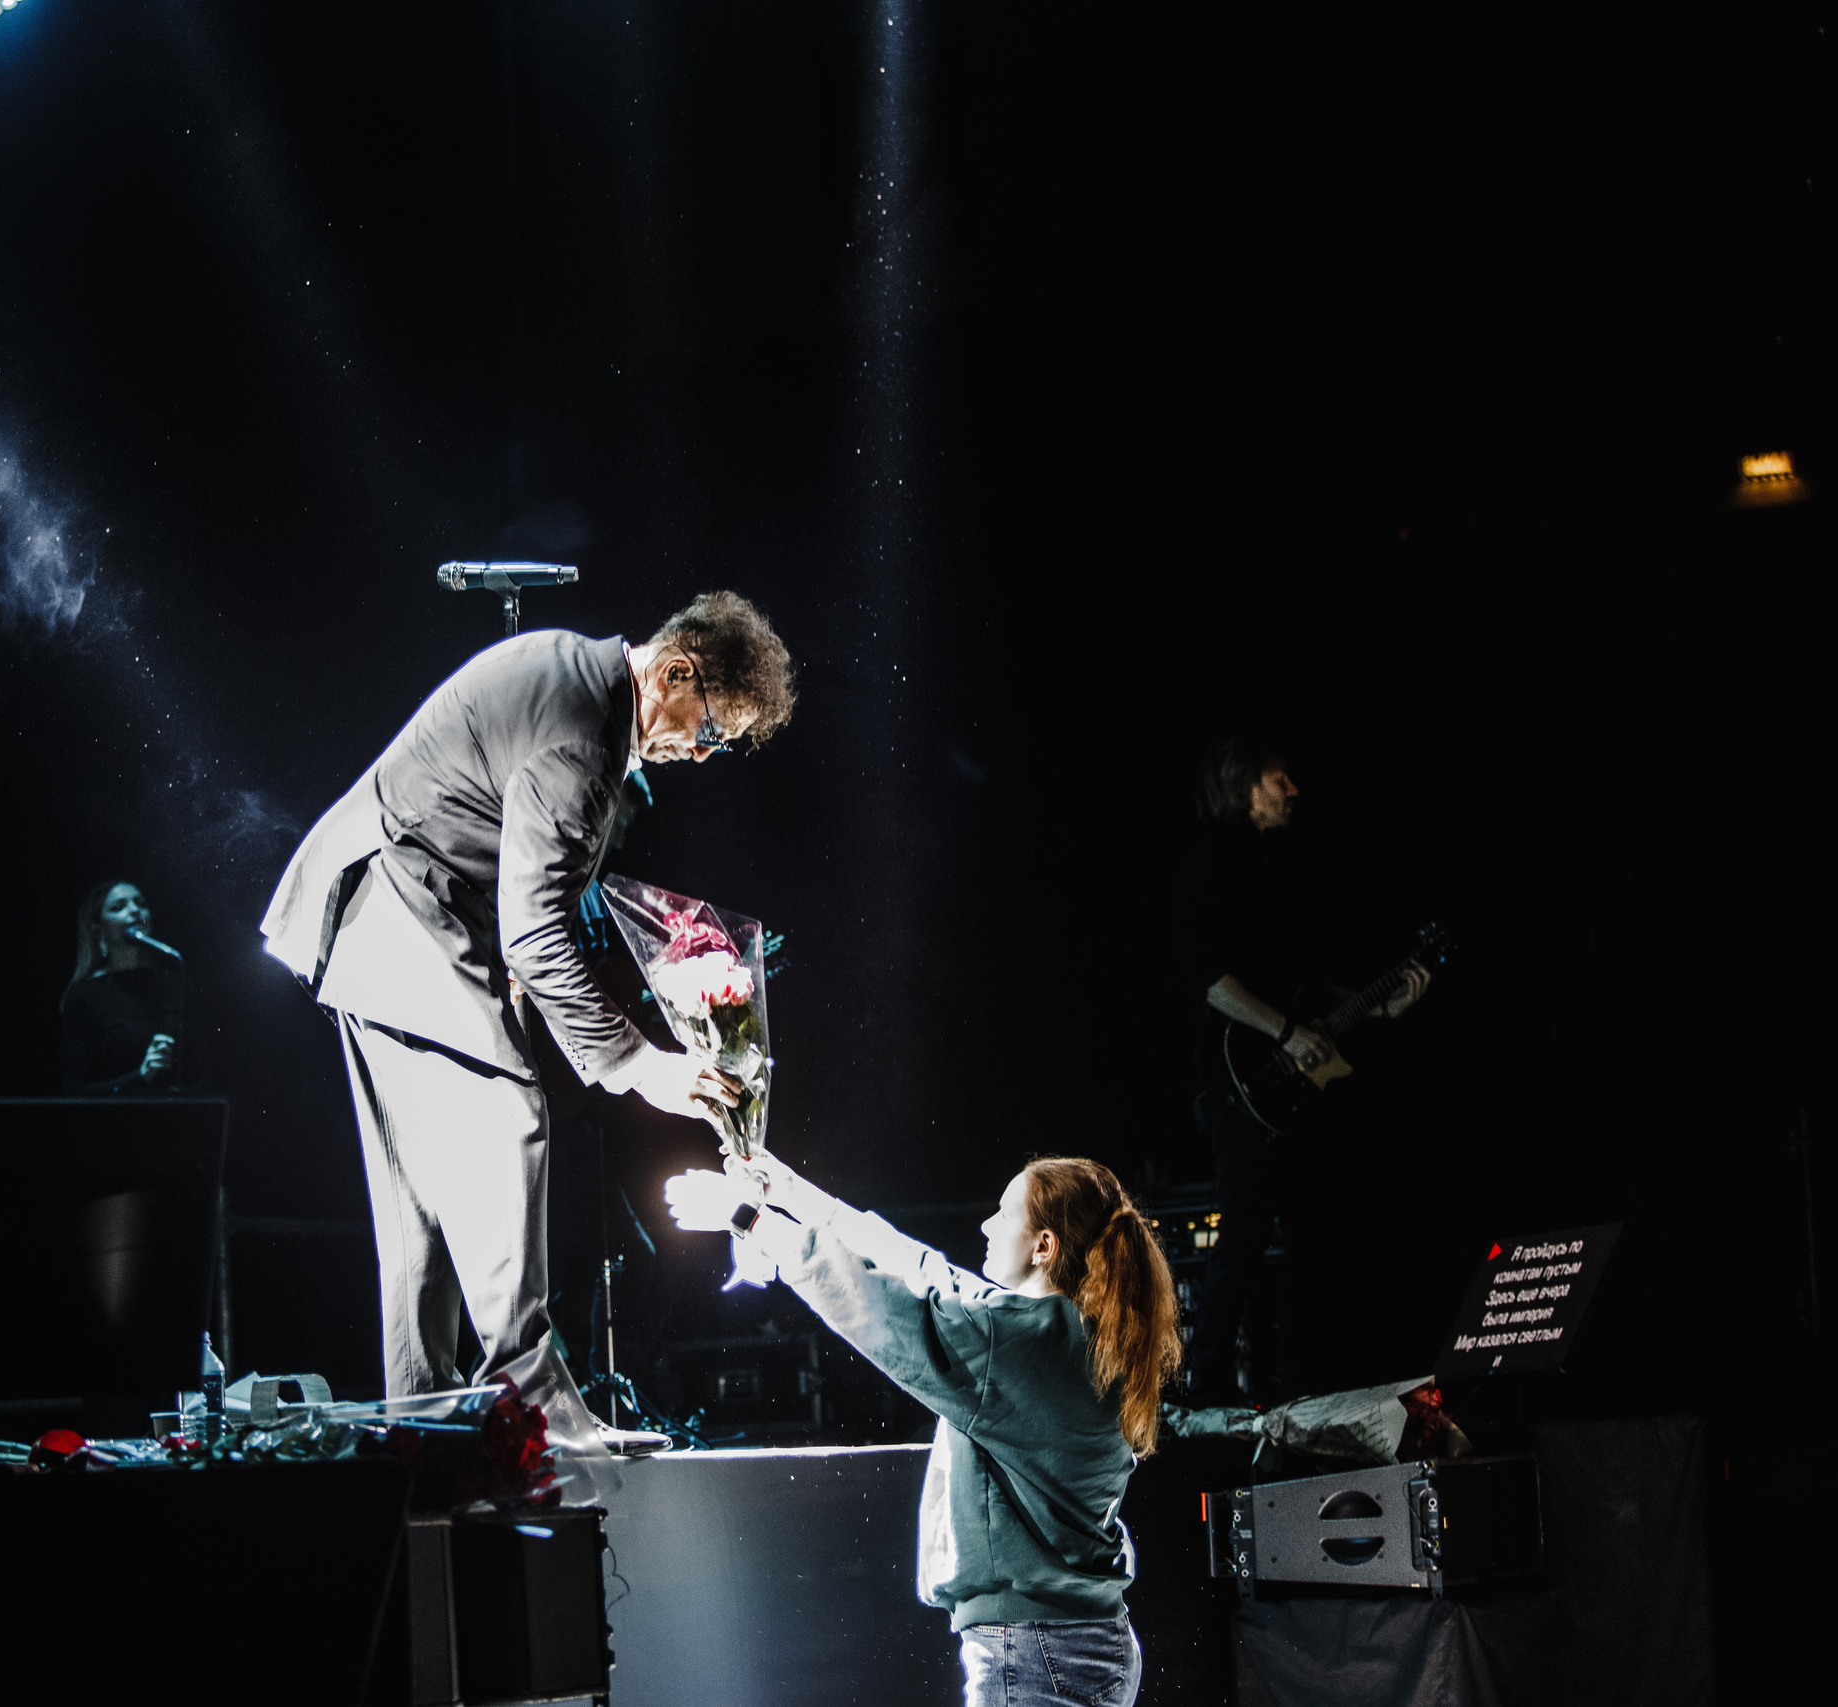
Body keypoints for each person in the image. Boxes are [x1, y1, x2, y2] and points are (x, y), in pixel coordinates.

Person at [260, 591, 795, 1459]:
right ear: (676, 672)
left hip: (374, 912)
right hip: (395, 907)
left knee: (420, 1200)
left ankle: (425, 1423)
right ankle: (532, 1404)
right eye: (709, 731)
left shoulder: (581, 683)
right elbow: (536, 926)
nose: (699, 755)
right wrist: (641, 1062)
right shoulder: (587, 732)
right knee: (511, 1114)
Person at [667, 1150, 1181, 1707]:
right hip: (1086, 1641)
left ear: (1044, 1246)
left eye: (1004, 1215)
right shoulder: (1075, 1336)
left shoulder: (1009, 1344)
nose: (985, 1224)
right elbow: (921, 1267)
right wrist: (790, 1190)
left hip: (1034, 1654)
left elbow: (873, 1304)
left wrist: (749, 1220)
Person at [1173, 738, 1428, 1402]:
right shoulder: (1209, 867)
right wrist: (1284, 1032)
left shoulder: (1281, 872)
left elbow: (1308, 995)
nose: (1293, 787)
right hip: (1238, 1084)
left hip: (1296, 1095)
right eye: (1278, 775)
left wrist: (1379, 1005)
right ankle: (1205, 1395)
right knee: (1245, 1234)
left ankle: (1306, 1387)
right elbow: (1209, 980)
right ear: (1241, 784)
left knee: (1318, 1238)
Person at [60, 880, 185, 1094]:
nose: (135, 911)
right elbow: (74, 1091)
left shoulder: (171, 983)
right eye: (119, 907)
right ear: (98, 929)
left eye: (140, 903)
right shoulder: (84, 996)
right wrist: (140, 1077)